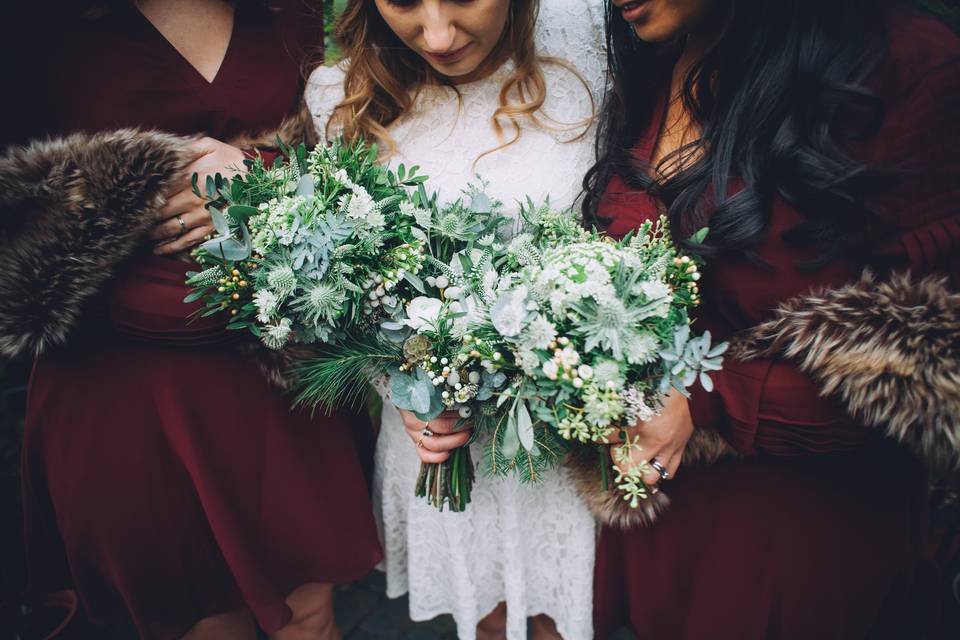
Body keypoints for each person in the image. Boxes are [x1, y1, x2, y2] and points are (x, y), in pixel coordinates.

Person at [0, 1, 382, 638]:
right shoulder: (27, 23)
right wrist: (141, 175)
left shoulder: (288, 8)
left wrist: (256, 175)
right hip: (127, 384)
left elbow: (325, 148)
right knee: (205, 625)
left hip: (272, 368)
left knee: (308, 616)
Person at [582, 0, 960, 638]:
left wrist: (704, 400)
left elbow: (935, 367)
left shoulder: (903, 65)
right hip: (654, 509)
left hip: (805, 532)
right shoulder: (656, 52)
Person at [306, 1, 605, 638]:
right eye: (404, 2)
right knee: (485, 620)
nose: (436, 35)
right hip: (433, 438)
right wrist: (405, 387)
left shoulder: (599, 51)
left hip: (559, 441)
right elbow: (343, 287)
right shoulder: (341, 97)